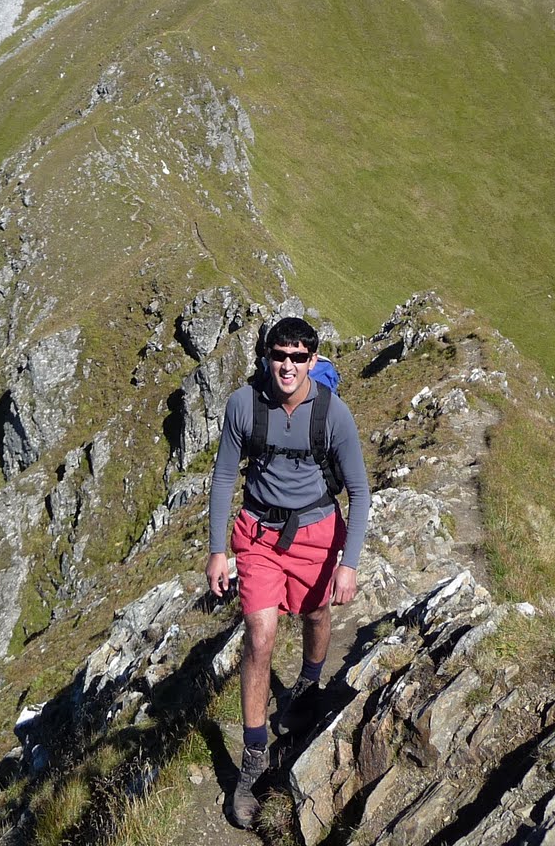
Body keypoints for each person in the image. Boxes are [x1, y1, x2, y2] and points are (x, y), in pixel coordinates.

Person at [205, 315, 370, 829]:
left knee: (317, 615)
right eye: (280, 355)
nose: (288, 366)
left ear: (313, 362)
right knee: (261, 632)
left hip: (319, 535)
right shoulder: (242, 405)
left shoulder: (334, 415)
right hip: (257, 536)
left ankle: (306, 689)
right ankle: (253, 761)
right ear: (266, 357)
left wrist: (349, 563)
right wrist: (216, 551)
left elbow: (361, 493)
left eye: (299, 357)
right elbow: (225, 476)